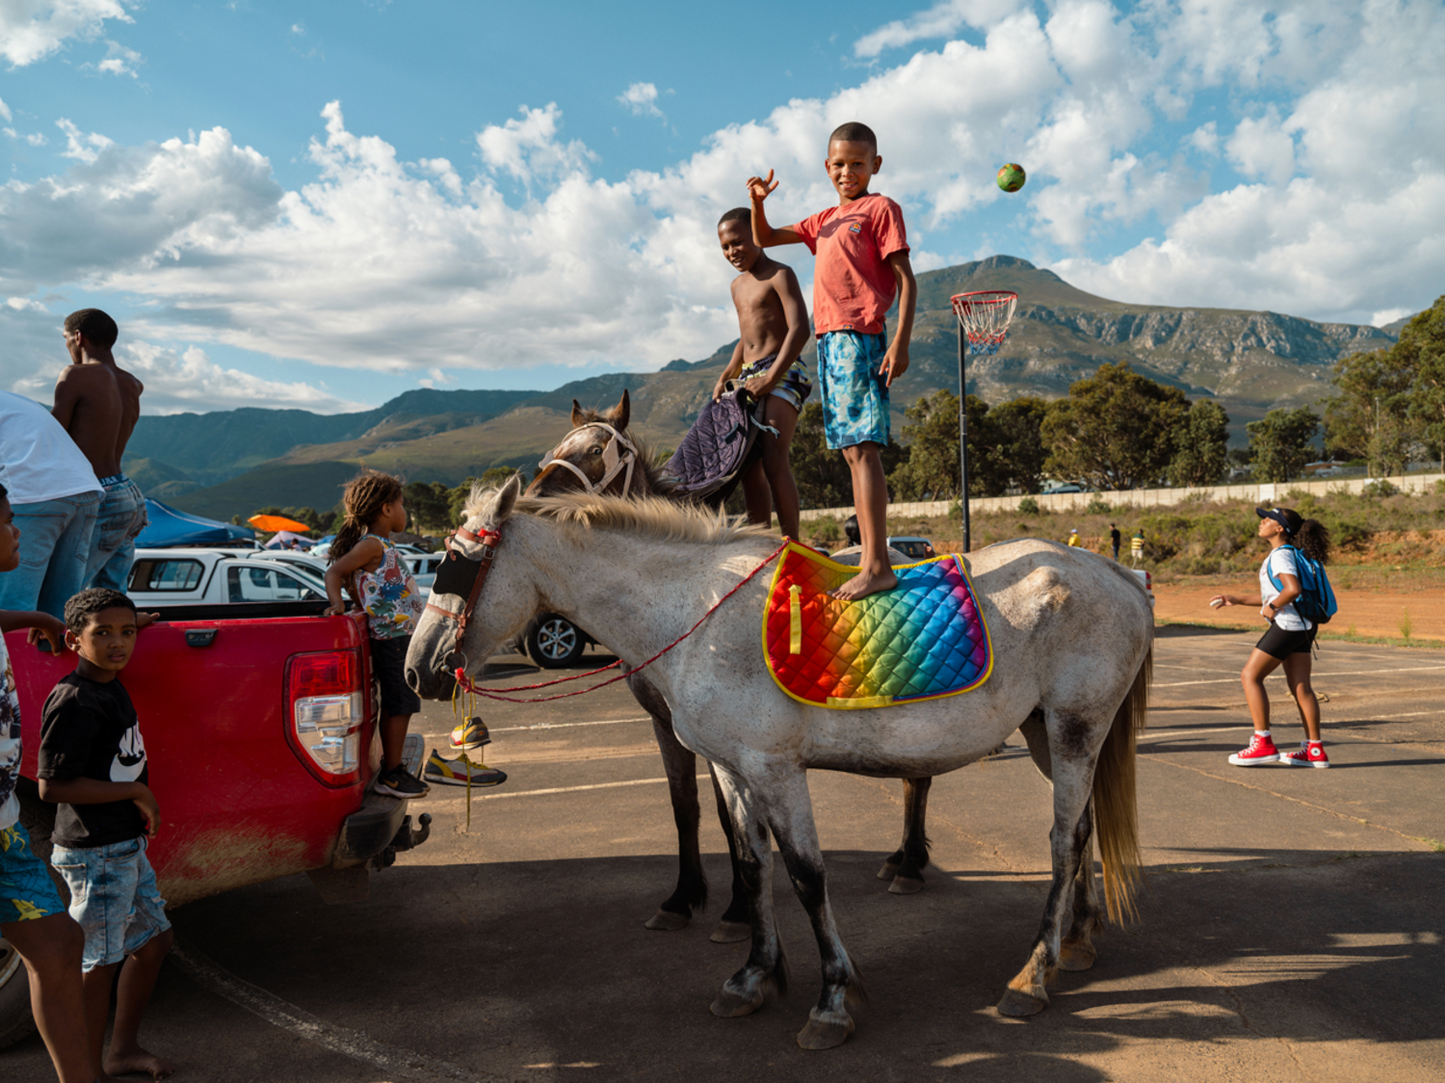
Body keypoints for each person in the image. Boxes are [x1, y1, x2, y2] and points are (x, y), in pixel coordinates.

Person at [748, 120, 917, 600]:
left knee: (863, 449)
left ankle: (878, 563)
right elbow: (764, 236)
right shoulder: (822, 220)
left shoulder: (880, 209)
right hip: (829, 342)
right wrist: (759, 201)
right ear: (827, 167)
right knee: (850, 451)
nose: (848, 172)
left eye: (858, 164)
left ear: (875, 166)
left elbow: (907, 280)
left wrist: (899, 340)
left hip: (860, 336)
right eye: (839, 165)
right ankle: (870, 558)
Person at [37, 587, 174, 1082]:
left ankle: (121, 1051)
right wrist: (137, 793)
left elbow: (115, 626)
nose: (119, 643)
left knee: (155, 942)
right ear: (74, 641)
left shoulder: (108, 678)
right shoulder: (75, 700)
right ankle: (85, 1072)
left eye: (128, 633)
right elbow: (52, 785)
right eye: (104, 634)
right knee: (99, 966)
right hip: (94, 854)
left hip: (123, 845)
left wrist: (133, 620)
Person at [0, 484, 97, 1083]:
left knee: (59, 948)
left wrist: (37, 616)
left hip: (4, 829)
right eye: (9, 522)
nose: (18, 532)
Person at [323, 472, 430, 798]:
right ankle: (392, 774)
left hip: (401, 637)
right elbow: (334, 571)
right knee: (399, 704)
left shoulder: (382, 545)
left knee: (404, 703)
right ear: (386, 509)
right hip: (392, 640)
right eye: (401, 504)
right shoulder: (371, 545)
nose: (404, 511)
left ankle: (394, 769)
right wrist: (339, 605)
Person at [712, 207, 813, 540]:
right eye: (725, 247)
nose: (732, 252)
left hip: (783, 371)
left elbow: (800, 330)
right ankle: (762, 547)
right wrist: (729, 370)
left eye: (738, 243)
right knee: (747, 466)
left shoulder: (780, 275)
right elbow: (747, 336)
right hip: (749, 377)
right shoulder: (736, 286)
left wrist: (771, 378)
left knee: (773, 459)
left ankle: (792, 545)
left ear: (756, 237)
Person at [1209, 507, 1334, 768]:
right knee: (1301, 687)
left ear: (1280, 529)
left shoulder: (1280, 555)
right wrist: (1238, 599)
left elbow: (1291, 590)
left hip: (1288, 624)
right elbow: (1278, 593)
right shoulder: (1292, 554)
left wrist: (1274, 606)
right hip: (1304, 625)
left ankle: (1263, 743)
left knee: (1250, 676)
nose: (1262, 521)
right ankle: (1314, 751)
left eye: (1268, 519)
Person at [53, 309, 147, 594]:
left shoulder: (76, 376)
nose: (67, 345)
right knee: (109, 601)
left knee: (64, 598)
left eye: (66, 338)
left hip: (95, 496)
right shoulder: (131, 384)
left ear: (78, 337)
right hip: (126, 493)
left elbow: (52, 439)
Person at [0, 391, 103, 618]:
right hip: (83, 488)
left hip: (32, 491)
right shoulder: (12, 399)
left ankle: (13, 653)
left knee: (12, 606)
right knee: (62, 609)